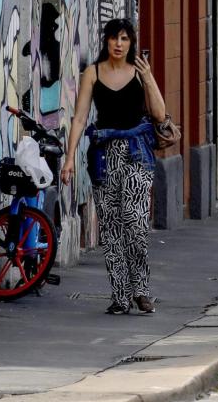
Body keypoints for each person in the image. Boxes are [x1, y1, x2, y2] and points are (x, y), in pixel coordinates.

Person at [61, 18, 167, 315]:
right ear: (106, 42)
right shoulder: (92, 73)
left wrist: (149, 79)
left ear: (131, 43)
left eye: (125, 39)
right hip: (104, 155)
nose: (119, 44)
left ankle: (142, 290)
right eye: (114, 38)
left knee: (135, 221)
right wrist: (69, 159)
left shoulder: (138, 72)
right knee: (111, 226)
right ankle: (120, 295)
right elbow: (80, 118)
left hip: (137, 153)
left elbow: (159, 114)